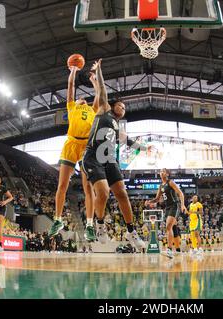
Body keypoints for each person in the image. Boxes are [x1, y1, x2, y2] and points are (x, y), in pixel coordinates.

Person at [81, 59, 148, 250]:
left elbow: (128, 140)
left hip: (110, 160)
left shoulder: (117, 125)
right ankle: (100, 225)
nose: (123, 108)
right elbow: (101, 90)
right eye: (121, 106)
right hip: (93, 156)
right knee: (103, 192)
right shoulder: (104, 110)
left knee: (122, 194)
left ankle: (130, 231)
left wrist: (145, 149)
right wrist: (99, 72)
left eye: (125, 108)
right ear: (114, 105)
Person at [49, 61, 99, 242]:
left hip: (86, 147)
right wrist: (73, 71)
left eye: (84, 99)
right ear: (76, 101)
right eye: (79, 98)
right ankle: (58, 220)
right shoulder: (72, 107)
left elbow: (99, 95)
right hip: (70, 145)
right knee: (62, 185)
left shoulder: (93, 109)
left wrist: (94, 80)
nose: (82, 98)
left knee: (88, 187)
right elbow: (70, 86)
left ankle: (90, 225)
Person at [145, 168, 187, 258]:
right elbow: (157, 199)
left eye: (163, 171)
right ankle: (178, 249)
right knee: (173, 227)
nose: (161, 173)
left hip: (174, 205)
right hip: (167, 207)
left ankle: (169, 250)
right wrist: (149, 202)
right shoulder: (161, 186)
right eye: (160, 171)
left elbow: (180, 193)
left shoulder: (170, 182)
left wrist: (183, 205)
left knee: (168, 226)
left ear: (167, 174)